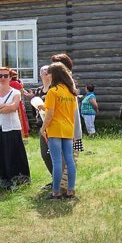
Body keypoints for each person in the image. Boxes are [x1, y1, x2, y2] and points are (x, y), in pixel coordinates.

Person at [41, 62, 77, 200]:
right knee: (69, 160)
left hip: (55, 129)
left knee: (56, 161)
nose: (47, 76)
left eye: (48, 73)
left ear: (53, 75)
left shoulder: (53, 91)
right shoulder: (71, 92)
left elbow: (50, 115)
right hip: (68, 128)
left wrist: (43, 129)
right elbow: (71, 114)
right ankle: (70, 191)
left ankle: (56, 192)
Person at [31, 65, 54, 189]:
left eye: (47, 70)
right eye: (42, 71)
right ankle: (54, 178)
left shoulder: (54, 88)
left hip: (53, 125)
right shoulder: (39, 90)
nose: (45, 72)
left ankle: (60, 181)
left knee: (55, 155)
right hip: (42, 126)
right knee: (45, 155)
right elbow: (34, 106)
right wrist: (36, 116)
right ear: (40, 75)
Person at [8, 69, 30, 138]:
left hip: (9, 102)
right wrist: (21, 86)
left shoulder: (8, 83)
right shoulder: (16, 83)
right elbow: (22, 93)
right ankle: (21, 133)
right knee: (20, 118)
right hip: (17, 102)